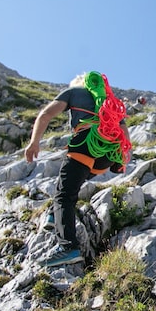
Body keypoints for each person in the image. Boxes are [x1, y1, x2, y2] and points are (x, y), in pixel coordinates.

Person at [25, 71, 131, 267]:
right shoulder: (109, 100)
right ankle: (54, 214)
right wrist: (123, 158)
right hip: (107, 154)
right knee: (69, 185)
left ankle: (67, 248)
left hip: (85, 143)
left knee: (65, 195)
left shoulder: (74, 92)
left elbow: (46, 114)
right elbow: (124, 131)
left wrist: (34, 142)